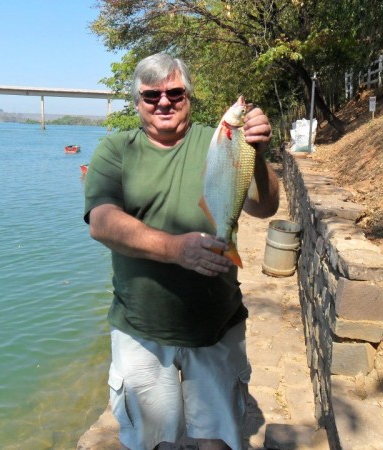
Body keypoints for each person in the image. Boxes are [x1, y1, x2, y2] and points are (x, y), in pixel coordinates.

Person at [84, 52, 279, 450]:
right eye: (150, 95)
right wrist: (176, 249)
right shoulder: (115, 150)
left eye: (174, 92)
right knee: (150, 441)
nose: (163, 102)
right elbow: (102, 222)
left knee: (217, 442)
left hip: (216, 325)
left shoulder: (221, 139)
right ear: (136, 102)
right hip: (141, 330)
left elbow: (266, 206)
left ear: (189, 95)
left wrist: (256, 154)